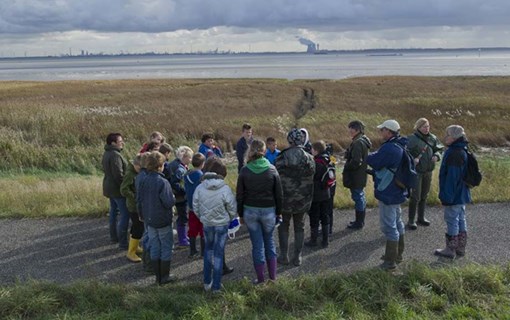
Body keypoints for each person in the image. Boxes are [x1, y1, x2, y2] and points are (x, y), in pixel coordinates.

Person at [236, 139, 283, 284]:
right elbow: (279, 194)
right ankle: (273, 278)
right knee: (269, 242)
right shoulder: (272, 169)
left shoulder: (244, 170)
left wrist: (241, 214)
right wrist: (279, 212)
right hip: (269, 210)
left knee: (257, 245)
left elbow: (240, 195)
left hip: (250, 211)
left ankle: (261, 280)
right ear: (264, 151)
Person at [366, 120, 407, 270]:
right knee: (398, 222)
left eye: (382, 130)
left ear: (389, 132)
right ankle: (398, 255)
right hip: (396, 189)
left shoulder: (390, 148)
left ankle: (390, 262)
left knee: (389, 226)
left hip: (388, 190)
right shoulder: (400, 144)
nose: (380, 132)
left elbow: (374, 161)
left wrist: (367, 155)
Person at [193, 157, 237, 293]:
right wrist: (229, 219)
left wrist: (202, 218)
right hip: (222, 224)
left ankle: (207, 282)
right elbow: (232, 207)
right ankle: (216, 286)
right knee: (218, 253)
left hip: (207, 223)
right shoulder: (225, 188)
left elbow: (195, 206)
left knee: (208, 251)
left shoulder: (200, 187)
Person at [275, 128, 315, 266]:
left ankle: (284, 256)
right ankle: (297, 257)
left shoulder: (281, 157)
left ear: (289, 140)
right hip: (302, 199)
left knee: (283, 226)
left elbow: (276, 178)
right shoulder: (310, 158)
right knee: (300, 227)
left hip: (285, 199)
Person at [137, 151, 176, 285]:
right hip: (162, 219)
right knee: (165, 247)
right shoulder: (162, 182)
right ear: (160, 165)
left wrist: (141, 215)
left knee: (154, 246)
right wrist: (173, 198)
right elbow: (168, 202)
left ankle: (157, 277)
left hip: (149, 219)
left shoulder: (143, 179)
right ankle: (164, 276)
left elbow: (139, 199)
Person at [435, 125, 472, 259]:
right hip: (462, 193)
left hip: (454, 194)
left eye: (447, 134)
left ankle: (450, 250)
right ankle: (460, 248)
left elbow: (452, 178)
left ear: (454, 137)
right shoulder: (462, 148)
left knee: (452, 219)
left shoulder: (454, 153)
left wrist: (447, 197)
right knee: (461, 219)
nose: (445, 137)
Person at [407, 118, 444, 229]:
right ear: (418, 127)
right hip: (417, 172)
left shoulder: (433, 138)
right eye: (424, 126)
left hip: (428, 171)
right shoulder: (412, 139)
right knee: (415, 196)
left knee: (424, 195)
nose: (427, 128)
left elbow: (440, 149)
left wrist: (437, 156)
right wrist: (413, 159)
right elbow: (405, 153)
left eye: (428, 126)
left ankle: (421, 218)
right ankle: (411, 220)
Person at [102, 132, 130, 249]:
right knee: (124, 215)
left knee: (113, 212)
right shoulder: (115, 155)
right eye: (120, 141)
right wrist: (125, 186)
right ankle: (123, 242)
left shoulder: (107, 153)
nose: (122, 143)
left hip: (109, 187)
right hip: (117, 189)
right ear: (113, 143)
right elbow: (118, 174)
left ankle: (114, 236)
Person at [342, 120, 372, 230]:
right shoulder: (361, 140)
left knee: (358, 197)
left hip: (356, 175)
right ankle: (360, 221)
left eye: (351, 128)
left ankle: (359, 222)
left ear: (357, 130)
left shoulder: (358, 142)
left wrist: (346, 167)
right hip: (360, 174)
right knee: (360, 196)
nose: (349, 130)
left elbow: (356, 161)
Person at [305, 141, 332, 248]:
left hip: (316, 194)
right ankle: (325, 241)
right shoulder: (327, 160)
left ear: (316, 150)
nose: (311, 151)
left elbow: (309, 177)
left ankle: (313, 240)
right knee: (325, 216)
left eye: (312, 149)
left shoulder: (315, 163)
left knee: (314, 217)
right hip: (326, 192)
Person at [120, 154, 145, 263]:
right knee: (138, 226)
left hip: (136, 204)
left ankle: (135, 246)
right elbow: (123, 189)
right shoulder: (130, 174)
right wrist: (134, 196)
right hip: (133, 205)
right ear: (135, 164)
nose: (141, 170)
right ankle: (131, 252)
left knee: (136, 226)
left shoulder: (135, 172)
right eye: (140, 167)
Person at [167, 146, 194, 247]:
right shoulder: (180, 169)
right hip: (181, 197)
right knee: (183, 217)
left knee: (182, 216)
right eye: (190, 158)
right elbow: (175, 183)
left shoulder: (175, 164)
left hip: (178, 196)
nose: (191, 160)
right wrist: (184, 190)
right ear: (184, 157)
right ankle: (182, 239)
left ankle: (183, 236)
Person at [184, 153, 206, 258]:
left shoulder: (187, 174)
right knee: (202, 229)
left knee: (192, 229)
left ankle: (192, 250)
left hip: (191, 206)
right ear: (202, 164)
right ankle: (204, 251)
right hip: (201, 207)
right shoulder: (201, 176)